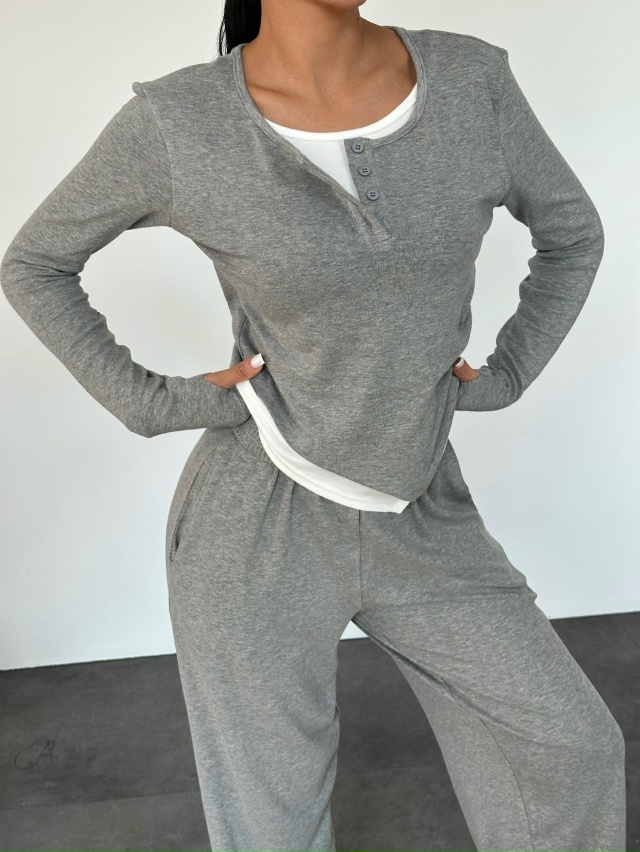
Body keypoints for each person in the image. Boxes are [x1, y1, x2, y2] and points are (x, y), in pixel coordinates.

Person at [0, 1, 626, 851]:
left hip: (421, 504)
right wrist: (152, 403)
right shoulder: (179, 121)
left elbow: (573, 234)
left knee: (567, 748)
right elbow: (35, 263)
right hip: (254, 522)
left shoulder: (471, 81)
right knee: (273, 824)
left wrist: (509, 373)